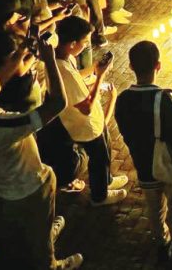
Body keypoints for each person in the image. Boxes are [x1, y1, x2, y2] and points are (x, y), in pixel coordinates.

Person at [0, 39, 84, 269]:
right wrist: (50, 60)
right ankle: (51, 262)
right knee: (39, 242)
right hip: (28, 188)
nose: (0, 76)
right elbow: (57, 103)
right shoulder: (3, 126)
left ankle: (42, 231)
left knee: (15, 227)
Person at [115, 41, 172, 266]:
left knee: (155, 208)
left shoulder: (123, 99)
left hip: (144, 165)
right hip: (169, 166)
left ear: (130, 66)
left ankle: (160, 241)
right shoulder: (163, 100)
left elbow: (125, 131)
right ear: (158, 65)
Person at [55, 16, 128, 206]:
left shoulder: (63, 57)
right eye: (85, 42)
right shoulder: (61, 69)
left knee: (105, 148)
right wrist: (100, 76)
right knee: (98, 157)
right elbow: (86, 107)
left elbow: (77, 76)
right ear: (72, 43)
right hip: (83, 125)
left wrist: (94, 69)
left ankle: (107, 180)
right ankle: (99, 195)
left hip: (91, 121)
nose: (86, 45)